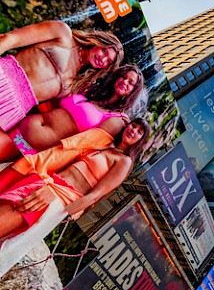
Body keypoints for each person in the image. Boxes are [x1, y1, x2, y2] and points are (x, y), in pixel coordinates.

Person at [0, 119, 150, 241]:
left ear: (141, 141)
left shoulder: (124, 161)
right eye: (133, 125)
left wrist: (59, 212)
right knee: (5, 208)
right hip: (49, 181)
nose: (133, 130)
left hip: (60, 197)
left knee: (7, 220)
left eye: (139, 132)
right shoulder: (105, 145)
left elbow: (95, 195)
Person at [0, 64, 142, 161]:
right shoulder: (91, 91)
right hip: (19, 127)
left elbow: (86, 147)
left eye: (131, 83)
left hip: (32, 150)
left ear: (133, 92)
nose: (125, 82)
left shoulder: (116, 119)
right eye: (123, 77)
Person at [0, 21, 123, 130]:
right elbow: (10, 39)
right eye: (104, 51)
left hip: (13, 110)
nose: (103, 59)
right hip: (4, 78)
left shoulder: (78, 83)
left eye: (108, 62)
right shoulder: (62, 33)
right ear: (98, 41)